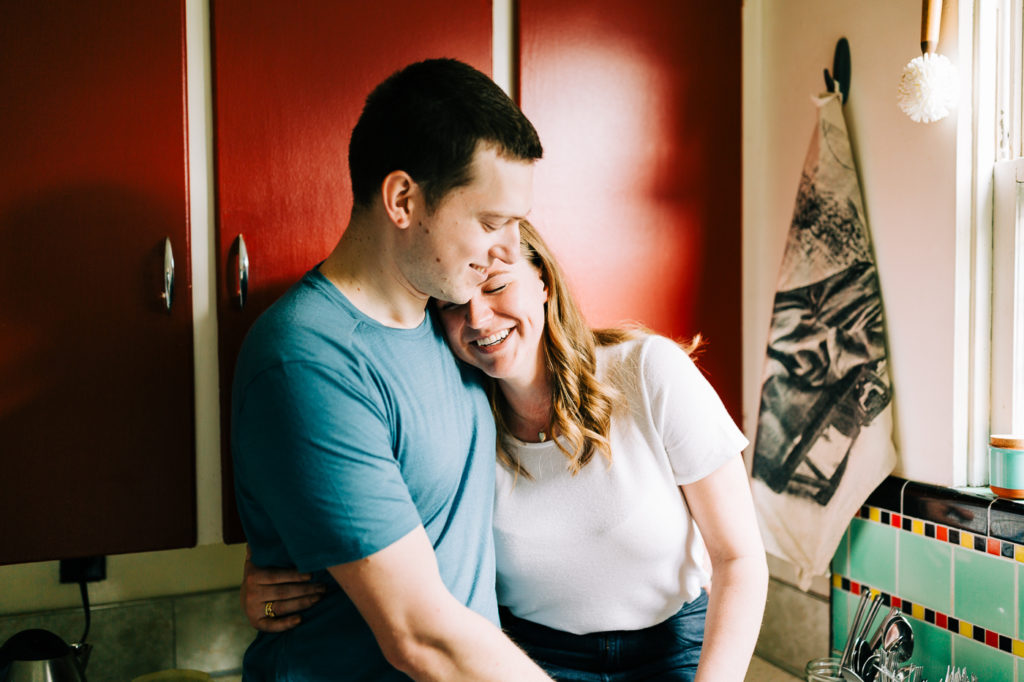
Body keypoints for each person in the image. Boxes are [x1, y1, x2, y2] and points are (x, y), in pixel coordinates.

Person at [245, 220, 769, 681]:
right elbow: (356, 506)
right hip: (527, 660)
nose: (478, 317)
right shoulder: (456, 413)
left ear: (543, 281)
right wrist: (270, 576)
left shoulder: (648, 372)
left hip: (672, 651)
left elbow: (739, 557)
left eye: (496, 286)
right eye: (452, 304)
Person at [230, 58, 552, 681]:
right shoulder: (308, 362)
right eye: (491, 222)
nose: (510, 249)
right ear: (403, 199)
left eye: (518, 224)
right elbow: (420, 637)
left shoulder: (454, 322)